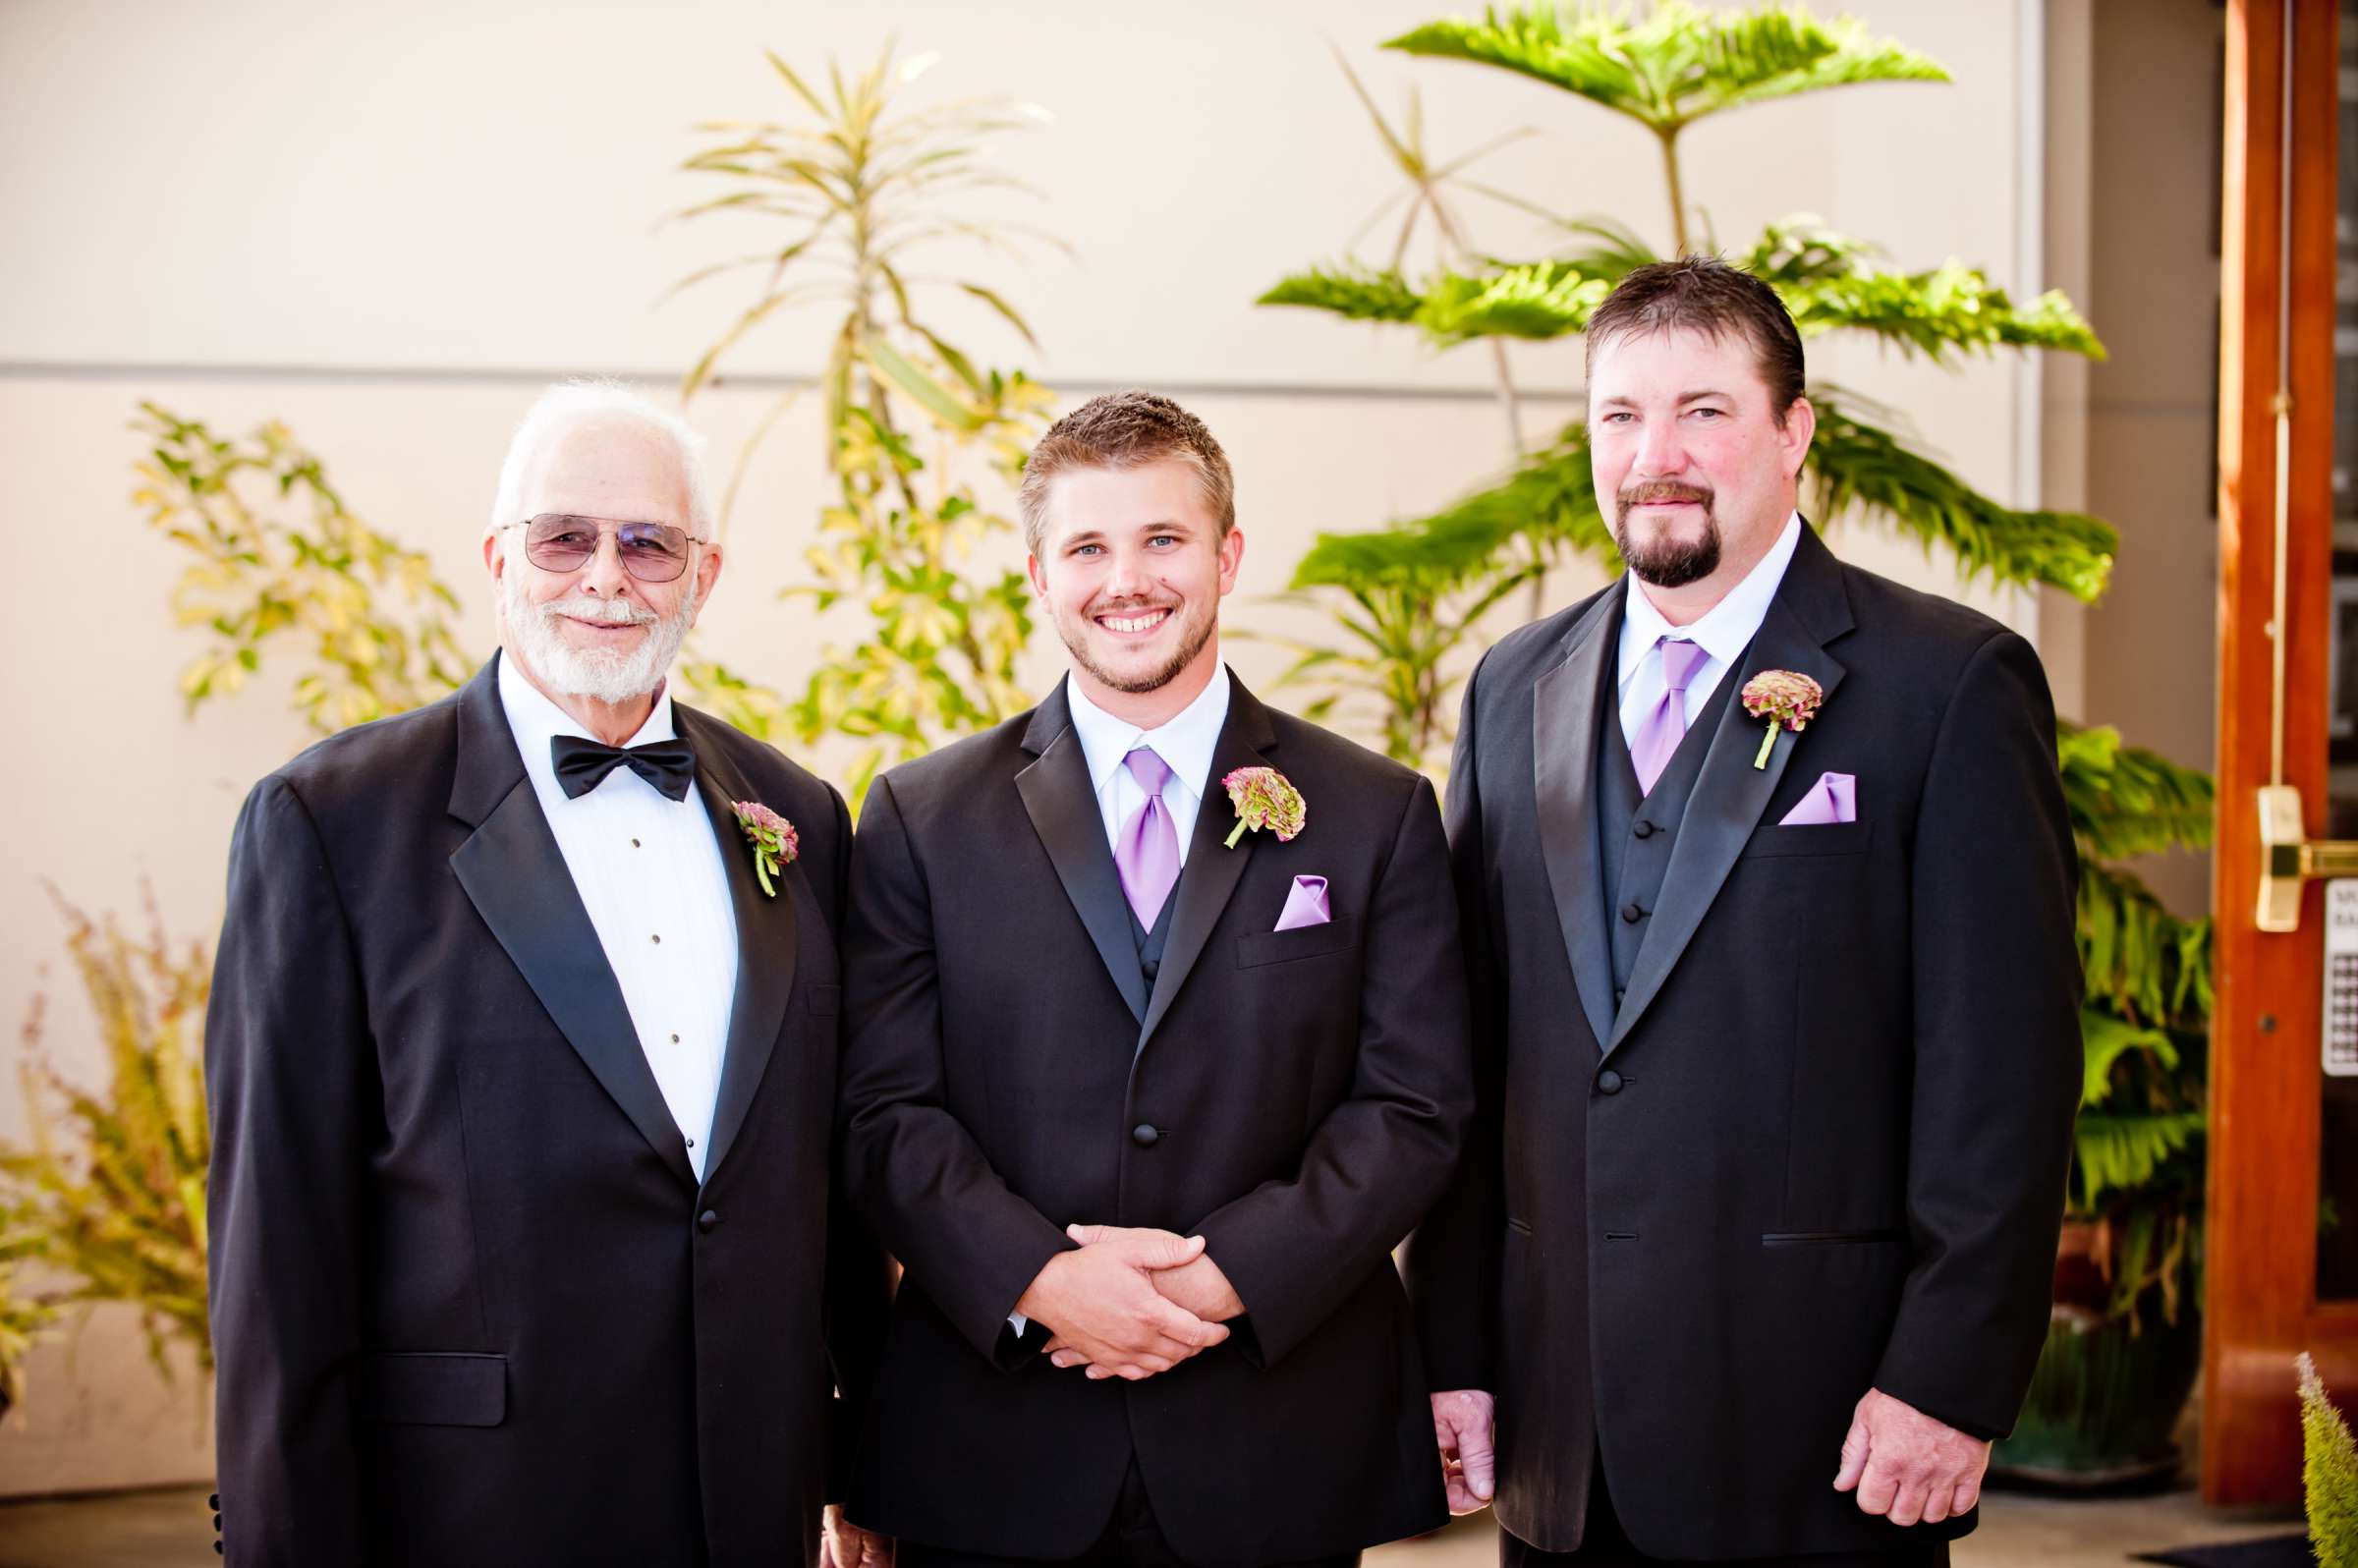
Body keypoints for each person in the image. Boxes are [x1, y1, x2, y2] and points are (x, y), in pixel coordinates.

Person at [1405, 258, 2081, 1565]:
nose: (1656, 456)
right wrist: (1457, 1352)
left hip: (1825, 1436)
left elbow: (2004, 1072)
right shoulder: (1510, 688)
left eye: (1703, 411)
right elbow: (1466, 1058)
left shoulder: (1948, 688)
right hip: (1565, 1438)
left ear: (1794, 435)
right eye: (1620, 417)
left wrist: (1950, 1374)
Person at [204, 381, 890, 1567]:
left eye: (649, 544)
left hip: (749, 1499)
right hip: (472, 1505)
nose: (606, 577)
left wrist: (867, 1461)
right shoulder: (330, 823)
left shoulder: (799, 819)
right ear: (499, 557)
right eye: (565, 536)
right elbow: (276, 1247)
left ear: (706, 574)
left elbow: (823, 1183)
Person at [837, 391, 1472, 1567]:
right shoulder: (920, 818)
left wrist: (1227, 1278)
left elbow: (1415, 1106)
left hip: (1274, 1443)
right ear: (1039, 572)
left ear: (1228, 555)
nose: (1126, 580)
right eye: (1087, 546)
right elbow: (882, 1113)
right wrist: (1041, 1278)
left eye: (1162, 540)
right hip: (991, 1445)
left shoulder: (1375, 814)